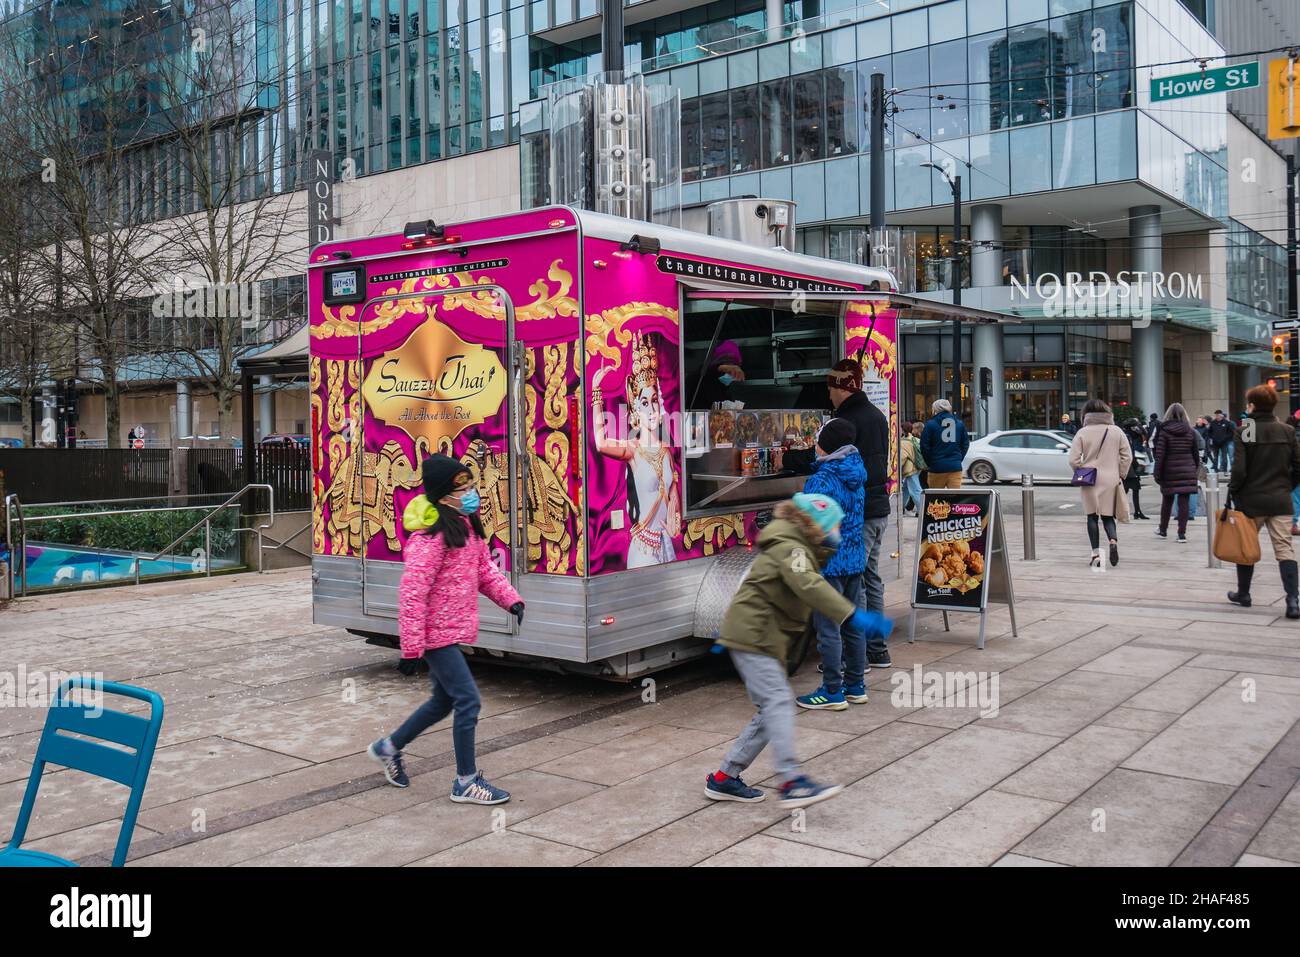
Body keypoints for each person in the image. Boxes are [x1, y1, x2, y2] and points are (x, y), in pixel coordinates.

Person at [704, 493, 892, 808]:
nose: (837, 534)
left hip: (757, 637)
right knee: (778, 702)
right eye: (833, 527)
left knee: (771, 708)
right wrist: (853, 614)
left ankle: (725, 778)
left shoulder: (793, 546)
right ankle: (791, 781)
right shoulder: (792, 548)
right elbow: (809, 586)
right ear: (815, 526)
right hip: (754, 636)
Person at [367, 454, 525, 803]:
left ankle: (387, 747)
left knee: (443, 701)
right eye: (463, 489)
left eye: (471, 486)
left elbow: (484, 572)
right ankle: (466, 781)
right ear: (443, 496)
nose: (471, 493)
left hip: (452, 629)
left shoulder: (466, 527)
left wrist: (511, 600)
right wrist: (410, 648)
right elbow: (412, 593)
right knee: (468, 700)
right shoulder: (432, 537)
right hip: (436, 634)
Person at [785, 358, 893, 669]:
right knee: (869, 578)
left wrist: (788, 459)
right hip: (877, 509)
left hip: (858, 518)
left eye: (831, 387)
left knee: (851, 587)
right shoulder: (876, 415)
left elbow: (824, 458)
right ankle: (876, 650)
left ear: (842, 388)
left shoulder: (848, 421)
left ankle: (849, 656)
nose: (828, 394)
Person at [793, 419, 868, 711]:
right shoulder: (856, 472)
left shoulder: (822, 480)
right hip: (854, 560)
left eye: (819, 438)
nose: (815, 444)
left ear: (829, 444)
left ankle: (832, 691)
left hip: (829, 565)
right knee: (852, 625)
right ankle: (856, 685)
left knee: (828, 629)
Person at [1227, 384, 1300, 619]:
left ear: (1252, 405)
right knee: (1284, 548)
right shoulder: (1287, 430)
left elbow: (1239, 469)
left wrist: (1234, 490)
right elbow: (1298, 466)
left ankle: (1244, 594)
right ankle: (1292, 600)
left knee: (1246, 547)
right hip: (1281, 499)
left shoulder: (1246, 429)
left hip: (1252, 500)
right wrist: (1287, 485)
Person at [1068, 398, 1132, 570]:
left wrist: (1081, 470)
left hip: (1090, 479)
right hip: (1111, 478)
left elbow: (1073, 459)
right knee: (1108, 516)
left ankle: (1096, 554)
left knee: (1092, 516)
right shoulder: (1116, 431)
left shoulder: (1082, 432)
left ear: (1086, 414)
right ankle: (1112, 540)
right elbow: (1127, 456)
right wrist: (1120, 473)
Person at [1152, 403, 1199, 543]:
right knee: (1184, 501)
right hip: (1187, 468)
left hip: (1169, 470)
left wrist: (1157, 473)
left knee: (1167, 500)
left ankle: (1163, 529)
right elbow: (1195, 453)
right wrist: (1193, 468)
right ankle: (1181, 534)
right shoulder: (1190, 431)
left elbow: (1160, 454)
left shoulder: (1164, 431)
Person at [920, 398, 970, 489]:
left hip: (936, 467)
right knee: (955, 498)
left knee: (936, 499)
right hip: (955, 467)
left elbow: (924, 446)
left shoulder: (930, 424)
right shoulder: (959, 424)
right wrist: (958, 458)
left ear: (935, 409)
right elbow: (965, 444)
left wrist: (930, 462)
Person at [693, 339, 745, 410]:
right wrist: (720, 367)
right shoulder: (702, 378)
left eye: (734, 364)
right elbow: (699, 374)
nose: (731, 370)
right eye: (727, 362)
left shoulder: (726, 395)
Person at [1121, 417, 1149, 520]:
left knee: (1132, 489)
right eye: (1135, 427)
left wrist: (1138, 424)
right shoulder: (1126, 436)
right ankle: (1117, 510)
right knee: (1126, 490)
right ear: (1131, 428)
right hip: (1129, 467)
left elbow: (1144, 432)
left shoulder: (1129, 435)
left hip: (1131, 465)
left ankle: (1137, 511)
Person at [899, 419, 925, 513]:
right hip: (917, 467)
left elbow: (901, 458)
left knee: (915, 490)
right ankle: (901, 507)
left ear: (903, 430)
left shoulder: (903, 442)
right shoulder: (915, 439)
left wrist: (896, 469)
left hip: (910, 469)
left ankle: (922, 511)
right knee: (905, 488)